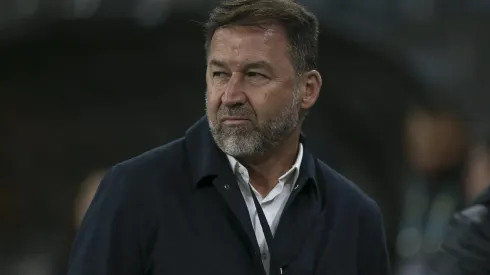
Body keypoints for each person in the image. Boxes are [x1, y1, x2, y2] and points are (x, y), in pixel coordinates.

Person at [67, 1, 391, 274]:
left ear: (307, 90)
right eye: (220, 74)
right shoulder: (134, 192)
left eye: (254, 74)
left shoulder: (355, 218)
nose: (231, 95)